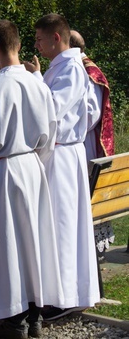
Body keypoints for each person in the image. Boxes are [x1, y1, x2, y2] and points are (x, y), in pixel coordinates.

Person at [0, 20, 65, 339]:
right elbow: (51, 132)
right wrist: (36, 160)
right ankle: (34, 315)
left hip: (5, 171)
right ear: (18, 45)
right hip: (32, 167)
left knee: (8, 245)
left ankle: (12, 319)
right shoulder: (38, 84)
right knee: (33, 242)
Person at [24, 14, 100, 320]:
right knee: (58, 224)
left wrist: (29, 81)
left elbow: (51, 108)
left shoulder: (70, 67)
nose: (36, 45)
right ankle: (65, 292)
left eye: (40, 39)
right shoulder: (62, 65)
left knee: (62, 226)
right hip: (58, 154)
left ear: (57, 38)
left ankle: (64, 296)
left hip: (63, 156)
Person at [70, 29, 115, 254]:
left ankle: (86, 245)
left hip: (85, 142)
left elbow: (91, 113)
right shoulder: (80, 68)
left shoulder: (87, 72)